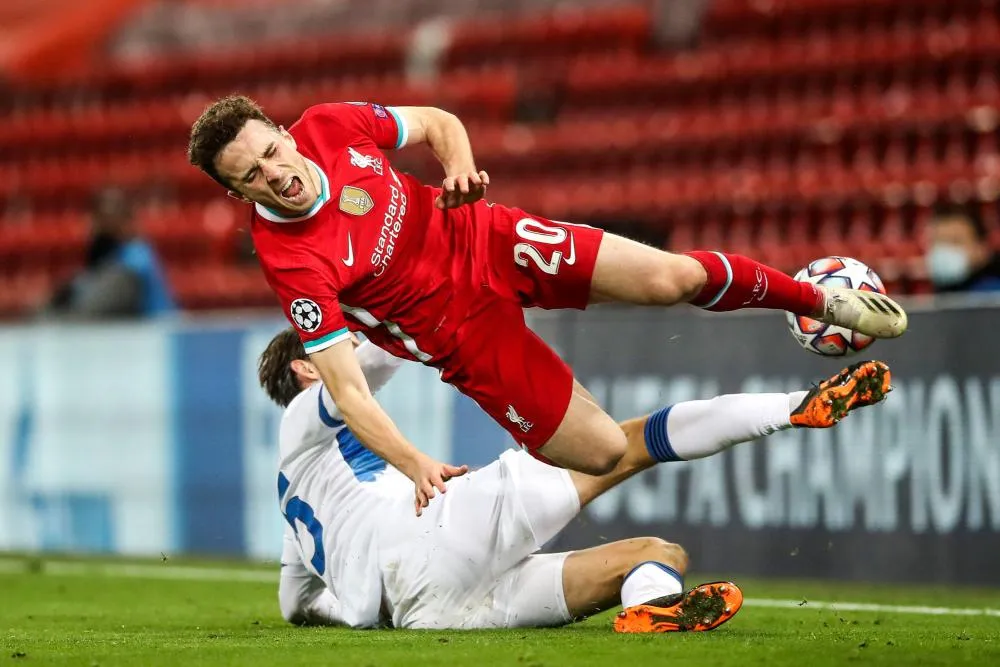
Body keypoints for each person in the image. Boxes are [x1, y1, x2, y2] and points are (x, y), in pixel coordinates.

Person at [187, 97, 907, 512]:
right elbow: (346, 388)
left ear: (283, 129)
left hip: (489, 236)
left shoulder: (332, 124)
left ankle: (821, 298)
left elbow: (438, 122)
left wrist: (461, 169)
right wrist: (415, 463)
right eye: (252, 175)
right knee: (599, 452)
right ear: (236, 191)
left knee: (670, 279)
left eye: (273, 150)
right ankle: (762, 410)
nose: (276, 173)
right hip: (463, 337)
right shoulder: (288, 261)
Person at [259, 327, 893, 631]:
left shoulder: (295, 493)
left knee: (656, 555)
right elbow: (383, 350)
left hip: (427, 609)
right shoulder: (303, 409)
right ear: (306, 372)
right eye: (322, 347)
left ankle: (650, 613)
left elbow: (295, 605)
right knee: (625, 444)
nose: (335, 347)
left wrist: (362, 603)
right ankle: (792, 407)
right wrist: (406, 298)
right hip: (430, 536)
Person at [41, 187, 176, 319]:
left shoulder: (134, 263)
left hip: (152, 335)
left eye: (105, 221)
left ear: (126, 221)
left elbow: (88, 312)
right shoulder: (109, 259)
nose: (93, 229)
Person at [926, 202, 1000, 293]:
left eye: (955, 242)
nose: (946, 250)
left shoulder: (993, 294)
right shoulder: (926, 298)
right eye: (940, 242)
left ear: (981, 249)